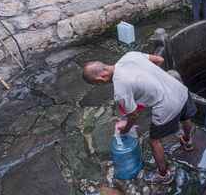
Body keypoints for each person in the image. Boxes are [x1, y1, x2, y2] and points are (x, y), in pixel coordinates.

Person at [82, 52, 196, 185]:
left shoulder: (121, 90)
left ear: (101, 78)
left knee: (154, 141)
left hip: (167, 105)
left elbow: (133, 115)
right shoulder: (130, 55)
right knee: (185, 117)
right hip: (177, 87)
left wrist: (125, 129)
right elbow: (159, 59)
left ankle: (164, 175)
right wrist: (152, 82)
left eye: (98, 84)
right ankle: (187, 141)